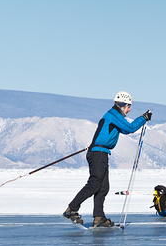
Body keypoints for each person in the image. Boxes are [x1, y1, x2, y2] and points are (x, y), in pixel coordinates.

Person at [64, 91, 152, 227]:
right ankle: (71, 209)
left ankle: (99, 217)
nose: (129, 110)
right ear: (122, 105)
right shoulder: (113, 115)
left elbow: (125, 129)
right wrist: (143, 118)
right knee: (94, 184)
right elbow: (130, 128)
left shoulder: (115, 116)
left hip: (101, 153)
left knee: (103, 187)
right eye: (128, 107)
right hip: (98, 153)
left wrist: (143, 119)